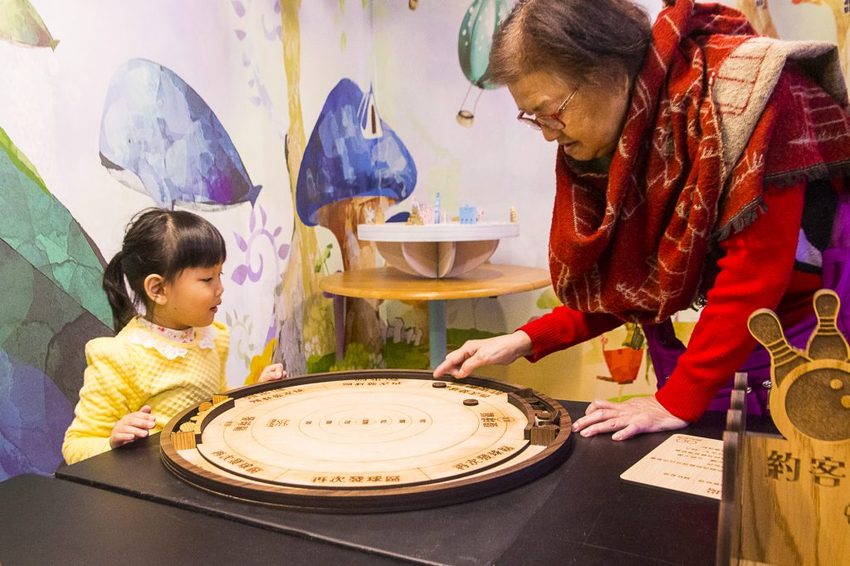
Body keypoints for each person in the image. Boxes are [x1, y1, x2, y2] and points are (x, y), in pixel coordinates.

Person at [434, 0, 850, 440]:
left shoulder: (742, 92)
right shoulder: (622, 139)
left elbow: (755, 273)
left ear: (609, 71)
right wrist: (522, 340)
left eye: (552, 110)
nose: (549, 133)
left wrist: (675, 400)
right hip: (745, 341)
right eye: (532, 118)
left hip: (817, 334)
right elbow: (629, 281)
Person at [62, 208, 286, 464]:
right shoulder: (120, 358)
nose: (220, 288)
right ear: (158, 289)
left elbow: (214, 405)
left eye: (219, 275)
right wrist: (113, 441)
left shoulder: (212, 337)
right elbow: (75, 447)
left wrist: (253, 391)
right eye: (207, 279)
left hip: (206, 470)